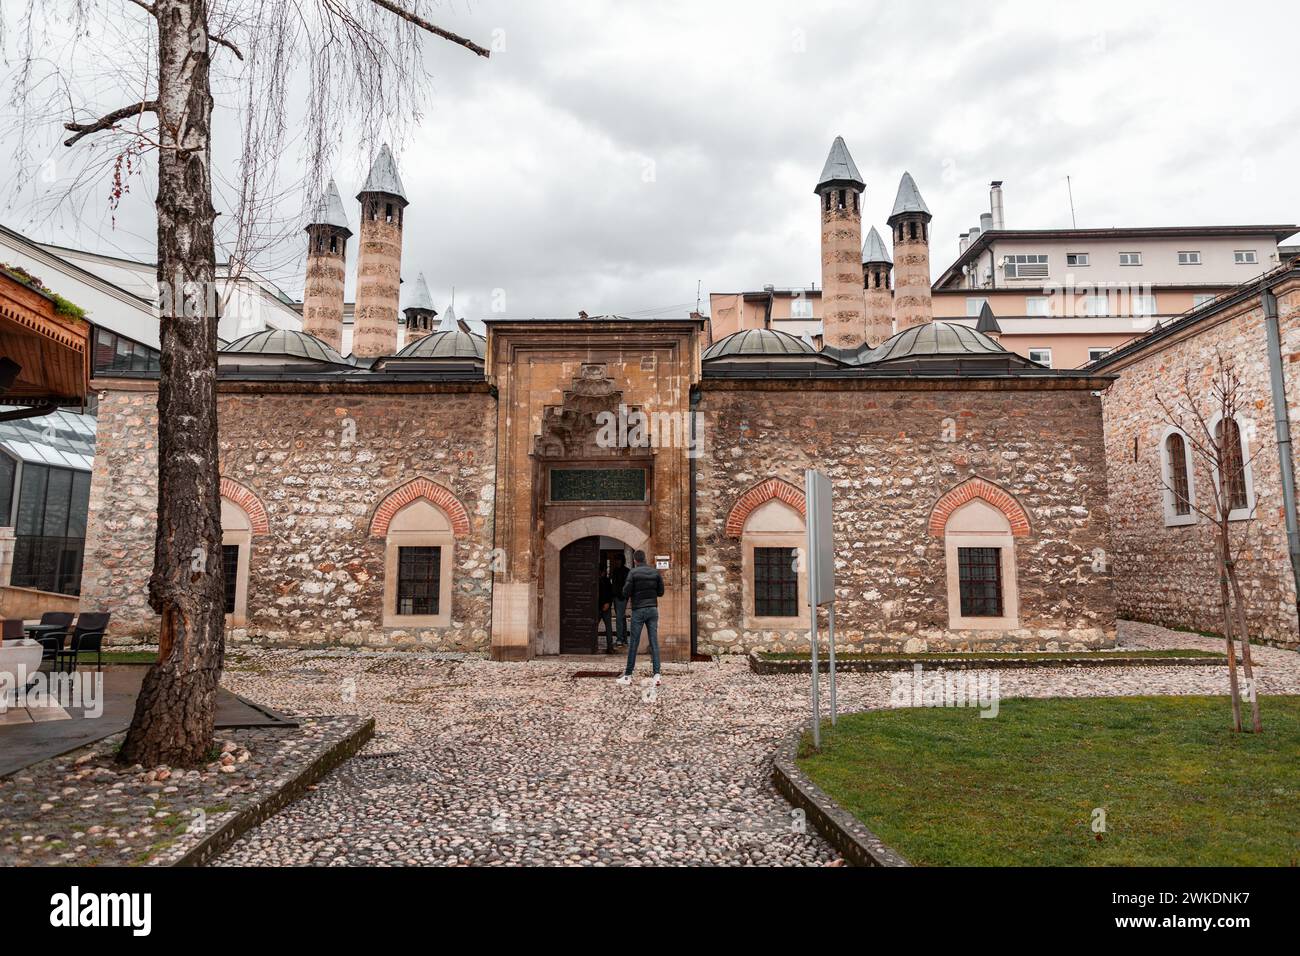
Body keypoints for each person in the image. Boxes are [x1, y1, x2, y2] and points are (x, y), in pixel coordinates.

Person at [616, 550, 664, 686]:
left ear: (635, 560)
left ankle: (628, 676)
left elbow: (625, 592)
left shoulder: (633, 573)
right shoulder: (655, 572)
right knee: (654, 642)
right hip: (653, 609)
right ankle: (657, 675)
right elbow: (661, 592)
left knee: (634, 643)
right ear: (645, 559)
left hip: (638, 610)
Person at [609, 553, 630, 647]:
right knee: (621, 617)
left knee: (619, 618)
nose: (617, 562)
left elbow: (627, 585)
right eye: (616, 560)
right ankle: (624, 639)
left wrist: (623, 596)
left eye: (618, 560)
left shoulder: (626, 571)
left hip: (621, 597)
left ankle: (619, 639)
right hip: (617, 597)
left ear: (622, 561)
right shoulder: (615, 571)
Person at [597, 567, 615, 654]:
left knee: (608, 627)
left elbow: (610, 593)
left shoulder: (607, 581)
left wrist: (608, 603)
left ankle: (610, 647)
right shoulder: (595, 580)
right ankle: (594, 646)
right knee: (594, 627)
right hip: (597, 607)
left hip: (606, 606)